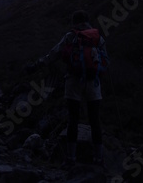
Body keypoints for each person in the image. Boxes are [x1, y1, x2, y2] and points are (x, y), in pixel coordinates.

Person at [29, 9, 109, 168]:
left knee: (73, 119)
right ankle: (99, 159)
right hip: (93, 83)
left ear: (74, 22)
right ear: (87, 21)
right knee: (95, 120)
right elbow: (106, 61)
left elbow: (53, 54)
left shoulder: (70, 36)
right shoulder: (97, 37)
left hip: (73, 81)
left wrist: (36, 65)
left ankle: (70, 158)